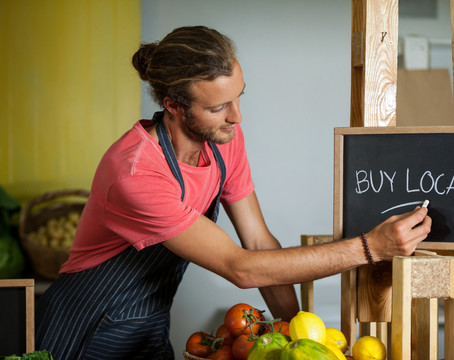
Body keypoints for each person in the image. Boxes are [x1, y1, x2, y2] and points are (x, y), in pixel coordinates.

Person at [35, 26, 431, 360]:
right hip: (84, 325)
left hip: (150, 319)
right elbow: (240, 267)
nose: (237, 117)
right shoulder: (135, 173)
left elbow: (259, 244)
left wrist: (300, 340)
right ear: (174, 105)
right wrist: (370, 247)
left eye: (240, 96)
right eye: (219, 106)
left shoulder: (224, 140)